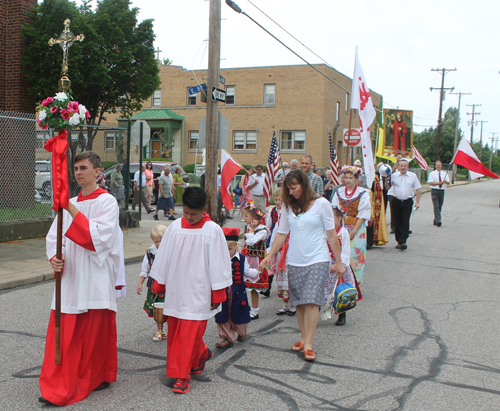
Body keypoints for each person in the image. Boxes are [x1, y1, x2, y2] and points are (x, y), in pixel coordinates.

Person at [39, 151, 122, 406]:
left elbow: (96, 239)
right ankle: (58, 383)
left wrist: (70, 207)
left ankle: (98, 375)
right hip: (71, 275)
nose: (78, 173)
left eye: (83, 168)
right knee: (66, 335)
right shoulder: (70, 202)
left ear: (98, 171)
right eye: (75, 168)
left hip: (94, 275)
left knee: (94, 334)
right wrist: (54, 257)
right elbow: (55, 236)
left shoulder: (108, 202)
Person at [149, 187, 232, 394]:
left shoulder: (213, 230)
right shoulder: (175, 227)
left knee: (188, 335)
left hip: (199, 291)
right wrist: (159, 284)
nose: (189, 217)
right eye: (186, 212)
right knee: (178, 333)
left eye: (193, 214)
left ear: (204, 209)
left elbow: (219, 264)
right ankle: (201, 353)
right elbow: (164, 257)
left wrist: (217, 294)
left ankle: (182, 375)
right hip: (177, 290)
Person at [259, 169, 345, 362]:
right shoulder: (288, 206)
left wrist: (338, 262)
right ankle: (303, 337)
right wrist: (268, 256)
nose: (291, 192)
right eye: (288, 189)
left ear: (304, 185)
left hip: (318, 258)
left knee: (312, 300)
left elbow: (332, 235)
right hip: (294, 260)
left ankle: (308, 344)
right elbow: (281, 233)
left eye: (294, 188)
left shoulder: (322, 204)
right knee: (298, 302)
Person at [331, 165, 371, 285]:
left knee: (355, 255)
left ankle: (355, 283)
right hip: (341, 227)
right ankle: (339, 281)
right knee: (339, 253)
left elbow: (363, 214)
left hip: (356, 227)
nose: (348, 180)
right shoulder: (339, 192)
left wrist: (353, 232)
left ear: (356, 179)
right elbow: (334, 210)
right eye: (346, 177)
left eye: (351, 178)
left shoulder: (362, 193)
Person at [214, 227, 252, 349]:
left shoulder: (241, 259)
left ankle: (241, 331)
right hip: (223, 290)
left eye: (229, 249)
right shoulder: (218, 259)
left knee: (239, 312)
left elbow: (247, 272)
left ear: (236, 246)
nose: (227, 252)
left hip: (237, 292)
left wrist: (258, 272)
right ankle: (227, 337)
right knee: (222, 313)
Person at [323, 206, 359, 326]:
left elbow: (346, 252)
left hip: (339, 267)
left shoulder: (343, 232)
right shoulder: (325, 231)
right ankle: (319, 310)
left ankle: (342, 314)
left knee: (340, 290)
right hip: (327, 264)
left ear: (339, 218)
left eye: (331, 218)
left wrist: (340, 265)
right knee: (323, 289)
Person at [136, 225, 168, 341]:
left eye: (161, 241)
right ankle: (160, 329)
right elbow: (145, 270)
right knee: (157, 307)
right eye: (156, 241)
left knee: (170, 306)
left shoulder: (171, 251)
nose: (159, 244)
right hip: (154, 284)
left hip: (168, 284)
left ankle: (173, 330)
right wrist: (140, 284)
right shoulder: (150, 253)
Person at [241, 200, 269, 320]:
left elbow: (250, 241)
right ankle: (244, 307)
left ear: (255, 218)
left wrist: (252, 228)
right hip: (247, 258)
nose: (244, 218)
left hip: (257, 260)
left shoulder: (262, 230)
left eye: (246, 216)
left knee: (253, 288)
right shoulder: (248, 227)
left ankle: (255, 310)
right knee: (243, 284)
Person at [385, 158, 421, 250]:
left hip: (407, 201)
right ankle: (399, 240)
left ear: (408, 167)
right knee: (397, 221)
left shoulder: (413, 176)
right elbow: (388, 187)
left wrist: (417, 202)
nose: (403, 167)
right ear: (399, 166)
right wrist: (386, 181)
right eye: (401, 165)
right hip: (396, 201)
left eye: (405, 166)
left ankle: (403, 241)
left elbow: (418, 189)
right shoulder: (394, 176)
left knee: (405, 221)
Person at [428, 160, 450, 227]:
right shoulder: (432, 174)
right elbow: (430, 183)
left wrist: (445, 181)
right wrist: (439, 183)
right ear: (435, 166)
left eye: (439, 165)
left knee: (440, 206)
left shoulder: (444, 173)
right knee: (436, 206)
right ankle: (438, 221)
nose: (438, 166)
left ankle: (436, 219)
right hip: (435, 191)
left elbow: (448, 182)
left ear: (441, 166)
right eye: (437, 165)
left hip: (441, 191)